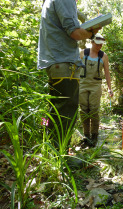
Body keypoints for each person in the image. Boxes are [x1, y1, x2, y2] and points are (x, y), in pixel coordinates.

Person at [37, 0, 101, 147]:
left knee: (56, 109)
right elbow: (75, 33)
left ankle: (51, 150)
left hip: (55, 61)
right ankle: (61, 156)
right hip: (63, 62)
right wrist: (92, 32)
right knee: (67, 110)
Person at [79, 34, 113, 146]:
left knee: (94, 111)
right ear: (92, 42)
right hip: (82, 84)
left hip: (96, 86)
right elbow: (75, 69)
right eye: (97, 44)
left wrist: (109, 88)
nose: (100, 46)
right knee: (84, 110)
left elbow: (107, 73)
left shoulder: (104, 56)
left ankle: (94, 136)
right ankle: (86, 136)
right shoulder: (83, 53)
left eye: (101, 44)